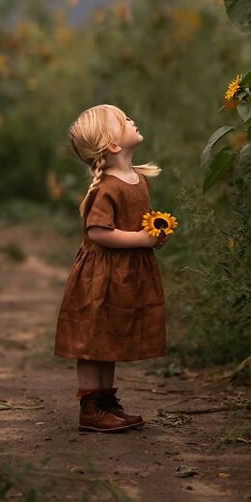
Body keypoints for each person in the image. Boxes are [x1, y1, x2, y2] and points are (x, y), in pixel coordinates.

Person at [53, 103, 167, 433]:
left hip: (124, 275)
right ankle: (90, 407)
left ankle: (106, 402)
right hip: (100, 276)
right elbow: (97, 233)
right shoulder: (107, 187)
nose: (132, 119)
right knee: (93, 341)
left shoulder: (137, 179)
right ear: (114, 145)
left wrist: (153, 234)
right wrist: (142, 240)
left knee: (110, 338)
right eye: (124, 119)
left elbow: (136, 223)